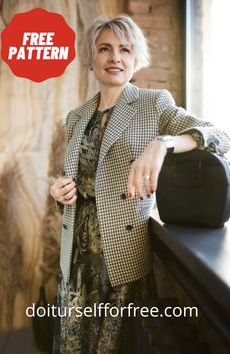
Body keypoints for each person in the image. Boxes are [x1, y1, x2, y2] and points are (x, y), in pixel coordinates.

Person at [50, 14, 230, 354]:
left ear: (136, 58)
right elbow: (71, 179)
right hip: (75, 256)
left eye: (124, 49)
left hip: (121, 256)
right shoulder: (76, 116)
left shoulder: (153, 104)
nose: (114, 57)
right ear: (91, 59)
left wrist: (162, 143)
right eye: (104, 49)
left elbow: (220, 136)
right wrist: (59, 191)